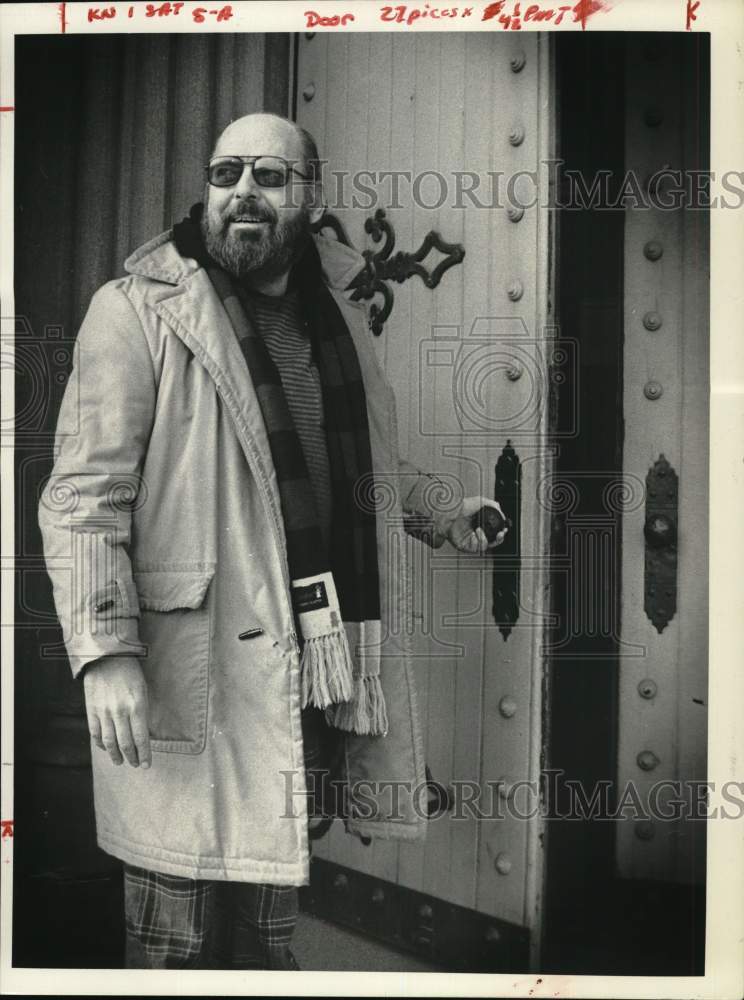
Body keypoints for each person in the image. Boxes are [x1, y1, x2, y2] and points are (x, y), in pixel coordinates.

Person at [38, 112, 507, 970]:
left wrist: (445, 513)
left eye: (269, 176)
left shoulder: (341, 323)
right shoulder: (139, 311)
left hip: (302, 676)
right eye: (225, 174)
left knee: (264, 939)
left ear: (309, 197)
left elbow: (371, 465)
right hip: (193, 676)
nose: (243, 192)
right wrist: (105, 649)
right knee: (172, 948)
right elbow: (82, 497)